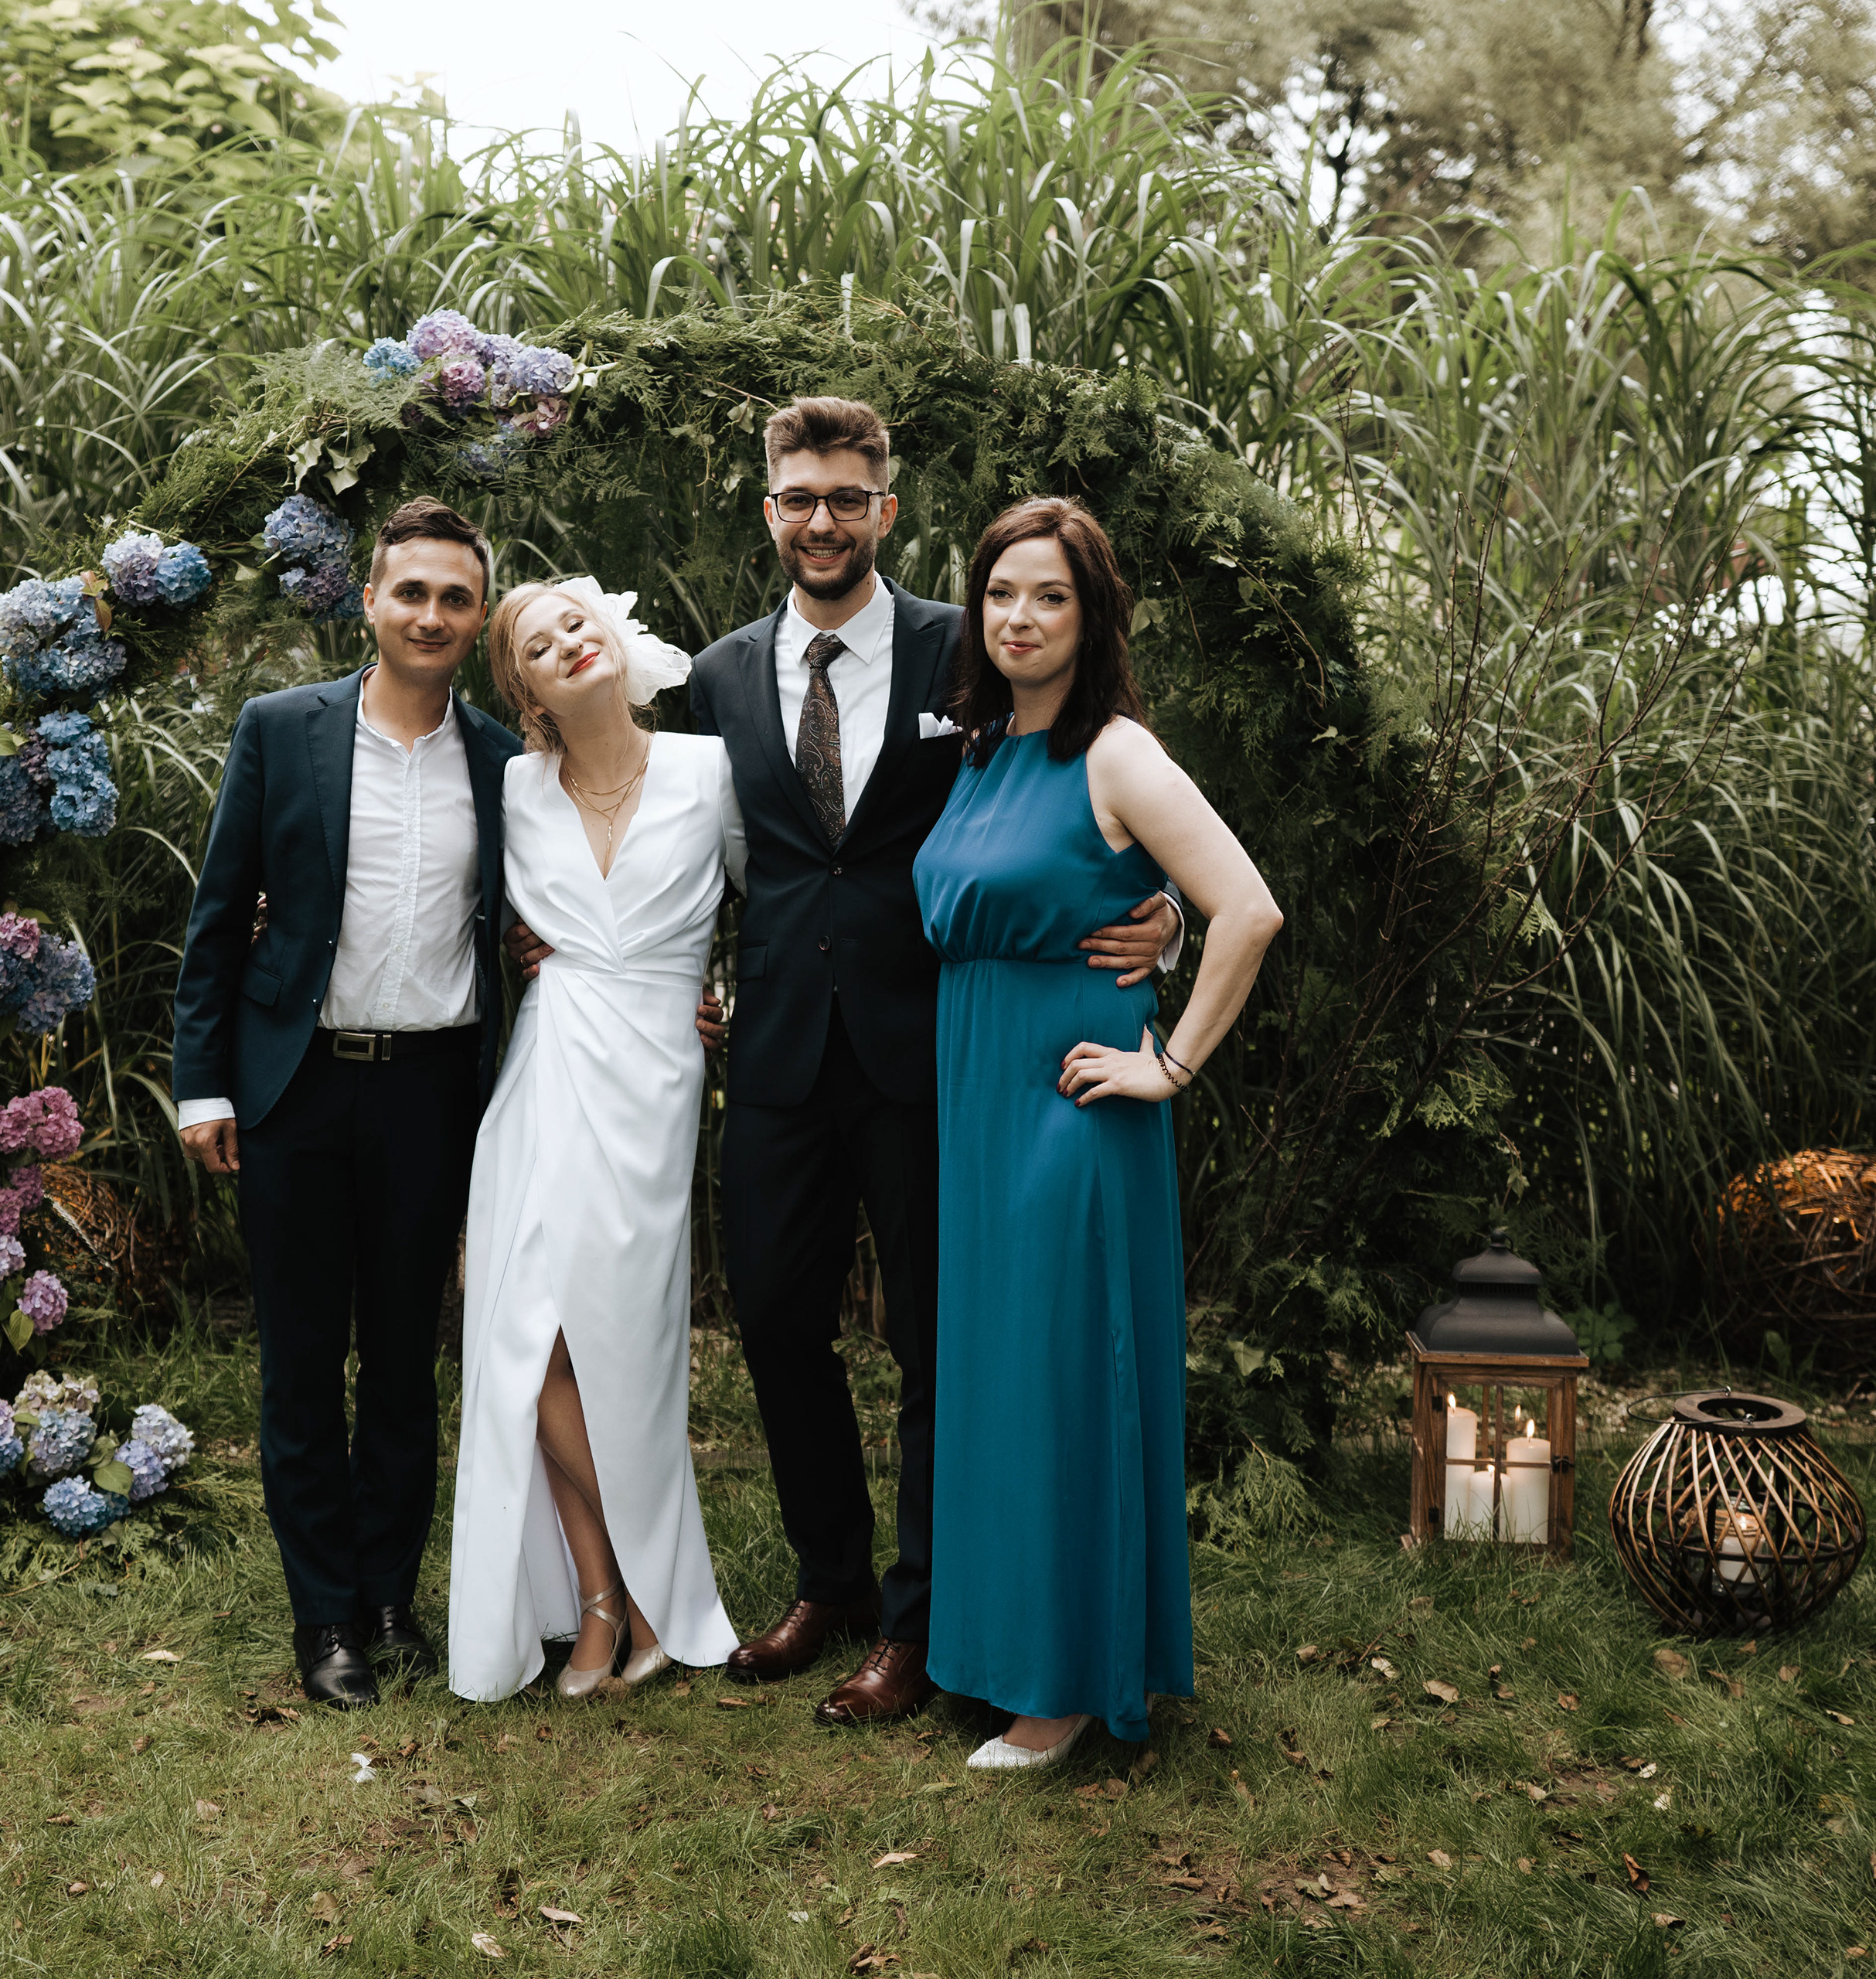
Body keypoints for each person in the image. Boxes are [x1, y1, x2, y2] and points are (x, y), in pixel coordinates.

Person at [679, 398, 1180, 1729]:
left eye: (848, 498)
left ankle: (919, 1619)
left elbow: (1082, 792)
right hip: (777, 1047)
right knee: (775, 1321)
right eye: (800, 498)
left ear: (886, 511)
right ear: (770, 510)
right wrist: (641, 969)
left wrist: (1166, 919)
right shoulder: (719, 674)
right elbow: (702, 847)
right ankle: (830, 1581)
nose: (823, 521)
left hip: (937, 1056)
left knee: (935, 1339)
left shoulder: (971, 644)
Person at [913, 496, 1283, 1769]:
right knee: (1000, 1377)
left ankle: (1064, 1686)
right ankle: (1003, 1649)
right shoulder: (983, 747)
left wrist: (1169, 1063)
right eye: (1001, 593)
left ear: (1094, 617)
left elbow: (1248, 909)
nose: (1020, 617)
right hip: (980, 1099)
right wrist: (1158, 913)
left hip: (1071, 1100)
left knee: (1060, 1376)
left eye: (1051, 596)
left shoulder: (1117, 752)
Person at [170, 498, 523, 1711]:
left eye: (454, 598)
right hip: (297, 1088)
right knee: (303, 1366)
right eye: (409, 591)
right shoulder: (283, 729)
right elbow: (220, 915)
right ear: (369, 601)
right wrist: (203, 1084)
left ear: (477, 618)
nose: (430, 614)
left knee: (406, 1365)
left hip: (435, 1091)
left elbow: (544, 913)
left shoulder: (504, 761)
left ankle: (387, 1601)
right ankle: (324, 1618)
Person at [446, 577, 744, 1703]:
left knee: (618, 1342)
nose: (568, 642)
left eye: (577, 621)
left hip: (656, 1077)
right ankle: (607, 1595)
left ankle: (638, 1598)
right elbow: (445, 906)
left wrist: (732, 1003)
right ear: (524, 691)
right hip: (549, 1066)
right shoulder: (513, 788)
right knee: (526, 1338)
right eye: (538, 643)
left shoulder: (710, 770)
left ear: (615, 638)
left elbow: (789, 905)